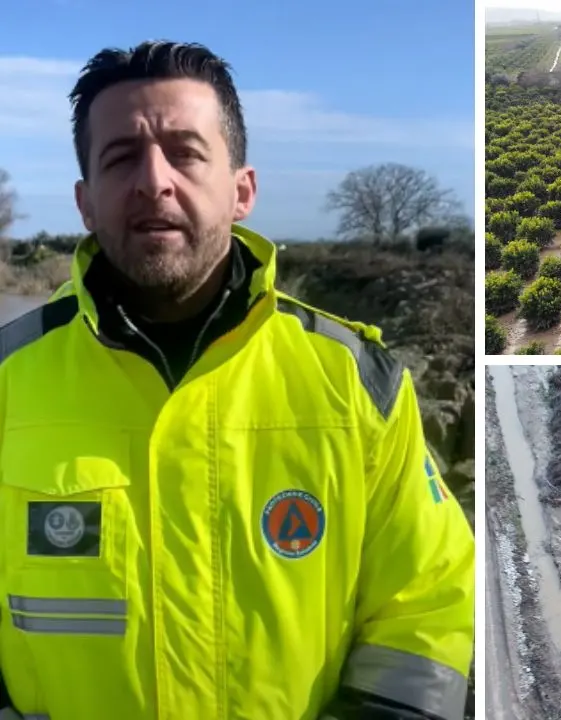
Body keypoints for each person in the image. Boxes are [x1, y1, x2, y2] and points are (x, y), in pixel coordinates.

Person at [0, 41, 474, 720]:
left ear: (242, 190)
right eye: (120, 158)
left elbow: (427, 605)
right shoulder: (8, 380)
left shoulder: (355, 383)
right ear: (85, 202)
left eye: (185, 152)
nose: (153, 180)